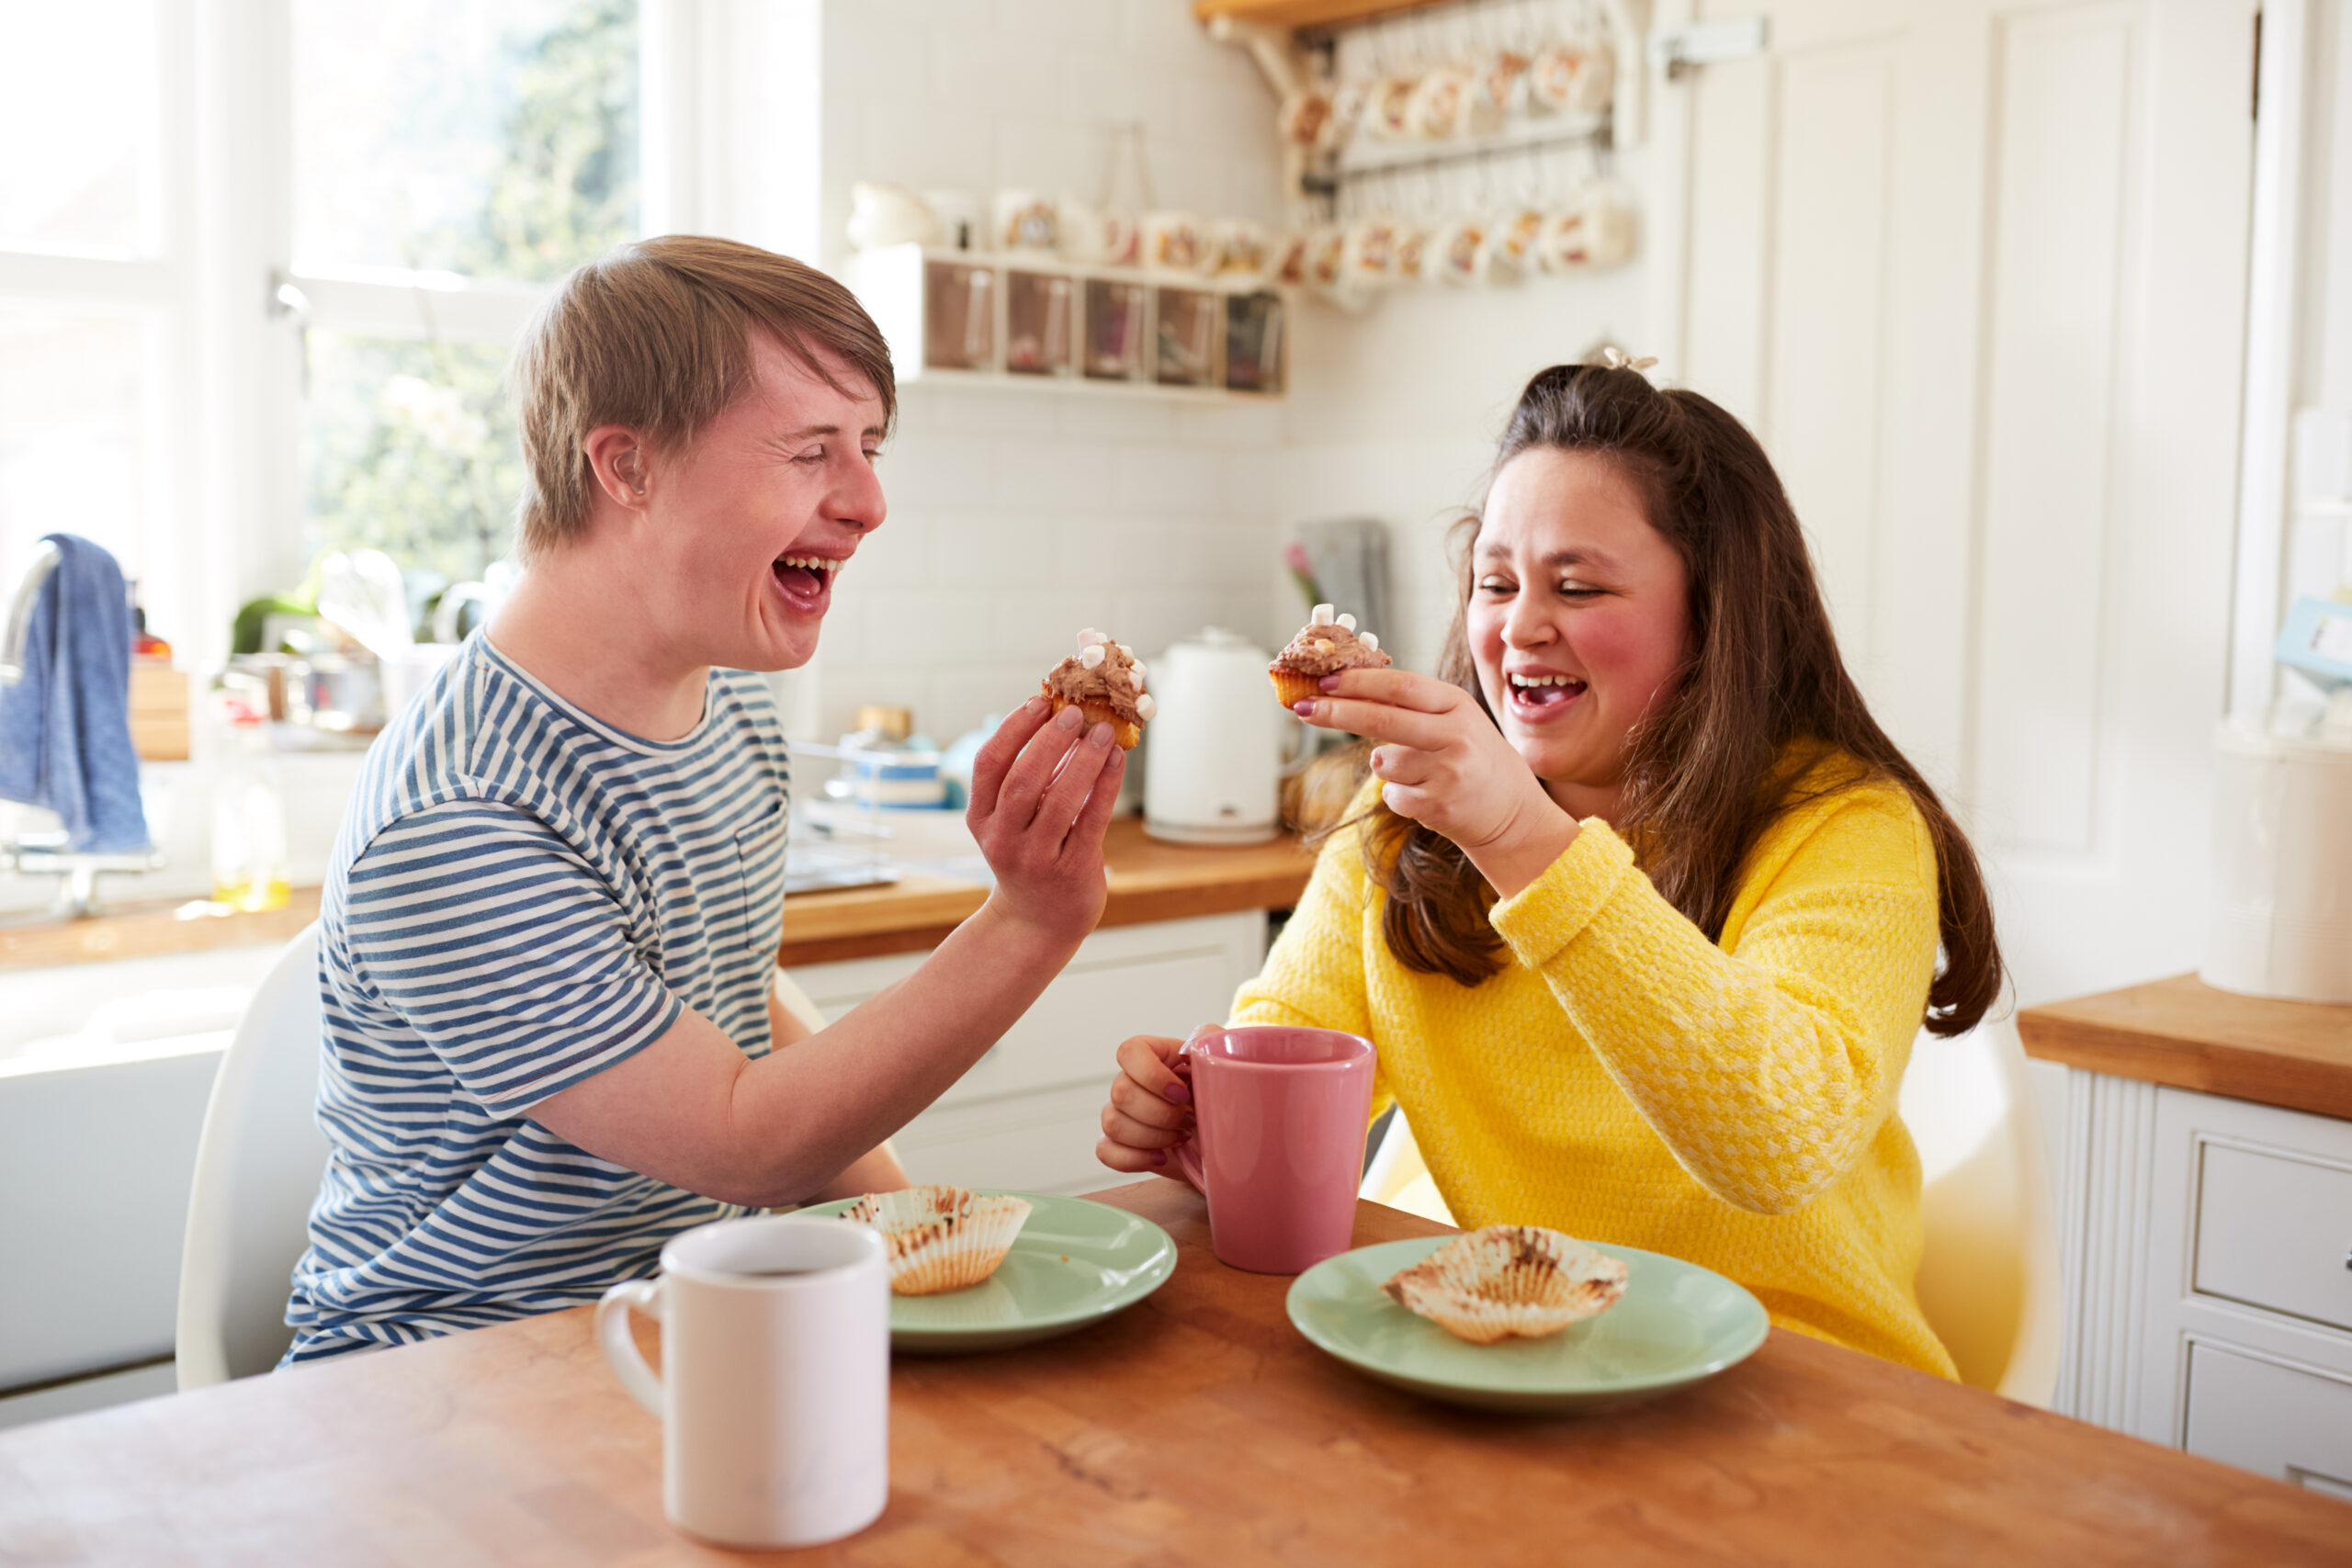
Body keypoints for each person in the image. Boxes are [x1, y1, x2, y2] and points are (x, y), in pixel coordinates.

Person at [284, 237, 1125, 1363]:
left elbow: (731, 996)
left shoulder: (722, 706)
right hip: (458, 1378)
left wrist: (915, 1244)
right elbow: (745, 1141)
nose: (869, 501)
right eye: (809, 452)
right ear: (626, 468)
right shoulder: (459, 817)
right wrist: (1030, 919)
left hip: (704, 1327)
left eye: (868, 447)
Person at [1096, 360, 2004, 1377]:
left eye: (1576, 586)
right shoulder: (1407, 816)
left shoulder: (1845, 828)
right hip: (1500, 1353)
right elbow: (1291, 1053)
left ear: (1717, 612)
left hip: (1794, 1380)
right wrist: (1210, 1121)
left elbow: (1777, 1144)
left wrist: (1519, 841)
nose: (1518, 626)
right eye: (1494, 581)